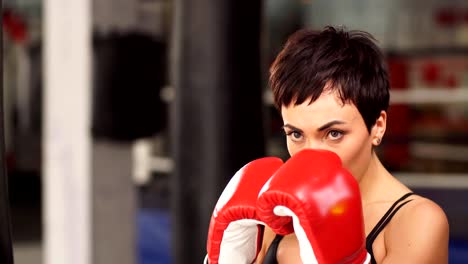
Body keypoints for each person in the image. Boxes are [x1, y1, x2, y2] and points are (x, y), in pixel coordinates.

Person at [254, 26, 449, 263]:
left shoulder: (415, 222)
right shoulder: (279, 211)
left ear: (378, 126)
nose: (312, 154)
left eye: (334, 133)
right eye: (296, 134)